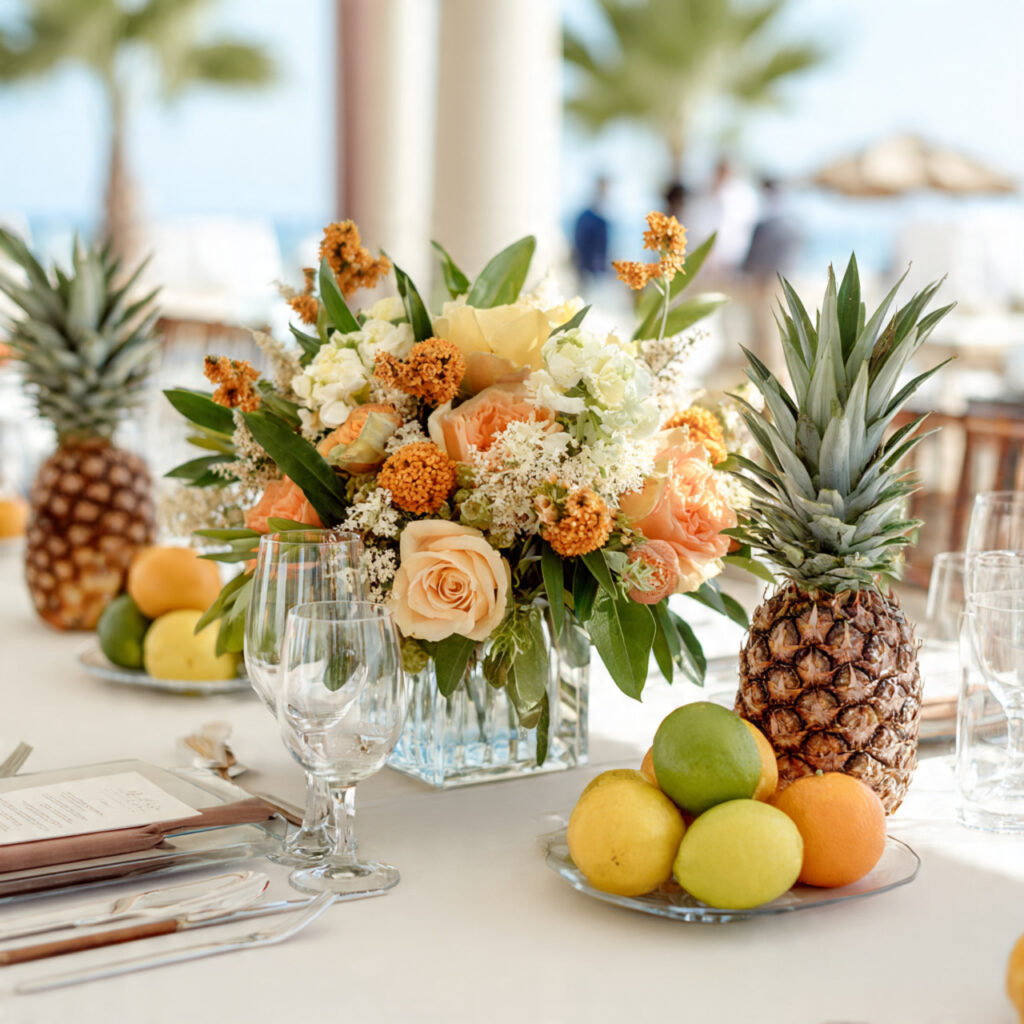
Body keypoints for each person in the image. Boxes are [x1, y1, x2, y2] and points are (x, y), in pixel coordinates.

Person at [572, 176, 610, 286]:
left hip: (600, 272)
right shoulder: (585, 218)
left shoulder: (604, 221)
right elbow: (579, 244)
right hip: (585, 271)